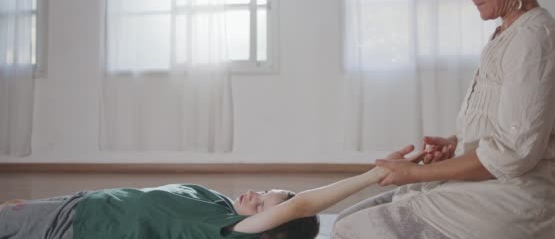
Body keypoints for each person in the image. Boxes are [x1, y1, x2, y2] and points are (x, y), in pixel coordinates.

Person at [331, 0, 555, 238]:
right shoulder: (510, 33)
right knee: (350, 218)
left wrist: (415, 173)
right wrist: (457, 143)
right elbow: (510, 124)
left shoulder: (536, 40)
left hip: (510, 202)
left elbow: (513, 153)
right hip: (486, 189)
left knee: (350, 229)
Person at [0, 147, 431, 239]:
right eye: (266, 191)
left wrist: (375, 175)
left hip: (75, 226)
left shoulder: (230, 231)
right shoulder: (215, 205)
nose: (256, 196)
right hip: (85, 203)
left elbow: (302, 205)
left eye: (263, 207)